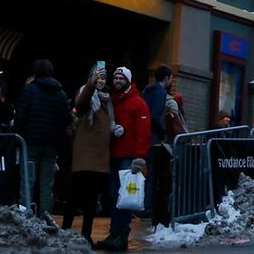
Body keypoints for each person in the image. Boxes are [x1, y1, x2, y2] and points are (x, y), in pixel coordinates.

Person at [96, 66, 150, 252]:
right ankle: (114, 234)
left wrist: (139, 157)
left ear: (128, 80)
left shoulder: (138, 103)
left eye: (121, 78)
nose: (117, 81)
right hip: (114, 155)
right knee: (114, 196)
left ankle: (121, 235)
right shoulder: (112, 100)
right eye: (115, 78)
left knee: (126, 198)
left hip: (129, 158)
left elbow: (143, 133)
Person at [61, 63, 113, 244]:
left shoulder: (108, 98)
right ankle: (65, 230)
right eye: (98, 77)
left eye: (103, 78)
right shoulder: (86, 93)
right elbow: (80, 103)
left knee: (92, 198)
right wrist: (91, 84)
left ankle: (86, 234)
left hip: (101, 155)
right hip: (85, 153)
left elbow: (111, 121)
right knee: (74, 195)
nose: (101, 81)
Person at [14, 59, 72, 218]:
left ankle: (24, 218)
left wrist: (17, 135)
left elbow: (20, 116)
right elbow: (67, 118)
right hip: (51, 144)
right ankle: (46, 219)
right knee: (47, 185)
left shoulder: (29, 90)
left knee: (27, 183)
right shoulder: (61, 94)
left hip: (30, 142)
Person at [140, 65, 173, 217]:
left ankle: (141, 204)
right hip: (153, 137)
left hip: (143, 136)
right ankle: (148, 208)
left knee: (144, 172)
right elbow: (155, 116)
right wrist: (164, 129)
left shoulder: (147, 91)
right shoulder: (160, 93)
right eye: (171, 78)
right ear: (166, 78)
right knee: (152, 175)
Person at [152, 93, 189, 227]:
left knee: (162, 185)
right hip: (168, 148)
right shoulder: (172, 110)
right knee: (165, 185)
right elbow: (177, 129)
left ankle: (159, 218)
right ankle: (161, 218)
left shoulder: (166, 106)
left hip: (165, 147)